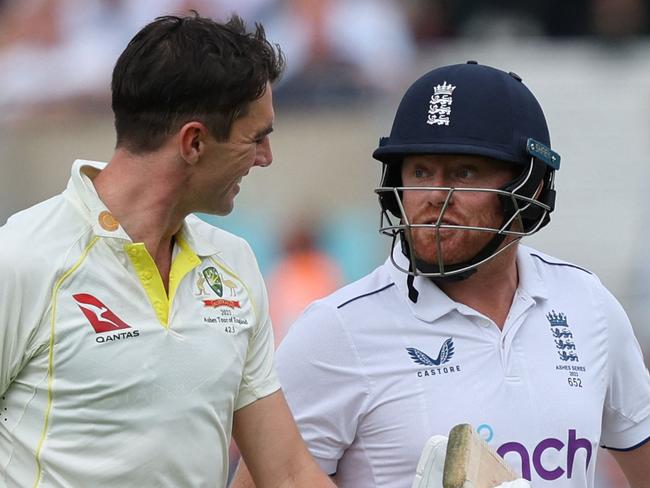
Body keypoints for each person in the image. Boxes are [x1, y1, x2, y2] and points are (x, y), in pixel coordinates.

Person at [231, 61, 650, 487]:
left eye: (464, 173)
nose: (434, 195)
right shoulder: (336, 332)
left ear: (530, 187)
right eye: (420, 172)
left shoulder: (587, 305)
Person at [0, 12, 335, 488]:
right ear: (194, 142)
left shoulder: (234, 263)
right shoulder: (20, 259)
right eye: (255, 138)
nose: (266, 158)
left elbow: (285, 474)